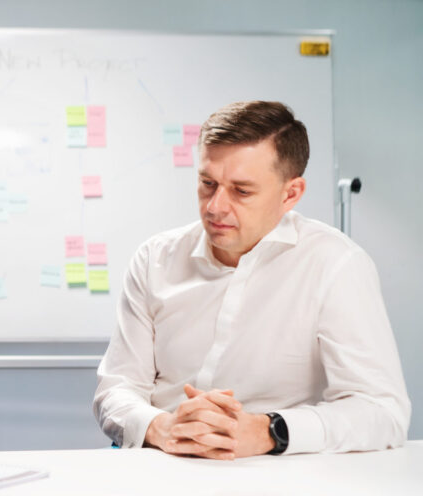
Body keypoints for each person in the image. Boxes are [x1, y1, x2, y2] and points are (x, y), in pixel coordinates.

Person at [93, 101, 410, 459]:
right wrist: (162, 427)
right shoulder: (155, 259)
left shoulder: (335, 265)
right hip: (159, 461)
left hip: (272, 471)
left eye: (241, 191)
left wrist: (269, 430)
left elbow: (382, 411)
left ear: (290, 194)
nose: (215, 207)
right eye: (207, 183)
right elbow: (116, 389)